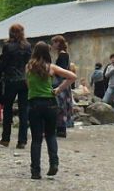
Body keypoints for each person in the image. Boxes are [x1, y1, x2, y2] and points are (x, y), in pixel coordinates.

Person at [25, 41, 76, 179]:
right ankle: (54, 162)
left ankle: (35, 171)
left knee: (36, 139)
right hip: (50, 103)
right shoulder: (51, 67)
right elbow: (72, 76)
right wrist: (58, 89)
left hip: (34, 103)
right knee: (51, 135)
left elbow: (28, 85)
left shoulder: (28, 67)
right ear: (47, 53)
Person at [0, 23, 32, 149]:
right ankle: (22, 140)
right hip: (24, 80)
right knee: (23, 110)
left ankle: (6, 138)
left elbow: (2, 63)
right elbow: (28, 63)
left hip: (10, 80)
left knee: (8, 109)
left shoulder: (8, 46)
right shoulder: (27, 46)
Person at [50, 35, 75, 137]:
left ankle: (61, 128)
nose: (52, 45)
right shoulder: (64, 54)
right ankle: (61, 128)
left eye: (53, 43)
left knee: (60, 106)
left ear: (58, 43)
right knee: (62, 106)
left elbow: (62, 70)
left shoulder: (62, 55)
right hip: (64, 82)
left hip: (61, 83)